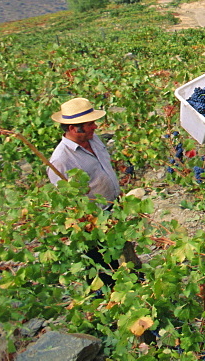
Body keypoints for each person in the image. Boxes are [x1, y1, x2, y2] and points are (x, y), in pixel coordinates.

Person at [49, 96, 140, 286]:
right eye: (90, 124)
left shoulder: (93, 139)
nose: (95, 127)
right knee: (105, 268)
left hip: (115, 208)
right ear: (74, 128)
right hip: (94, 222)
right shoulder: (60, 161)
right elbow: (69, 203)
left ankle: (138, 287)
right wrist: (92, 222)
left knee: (129, 258)